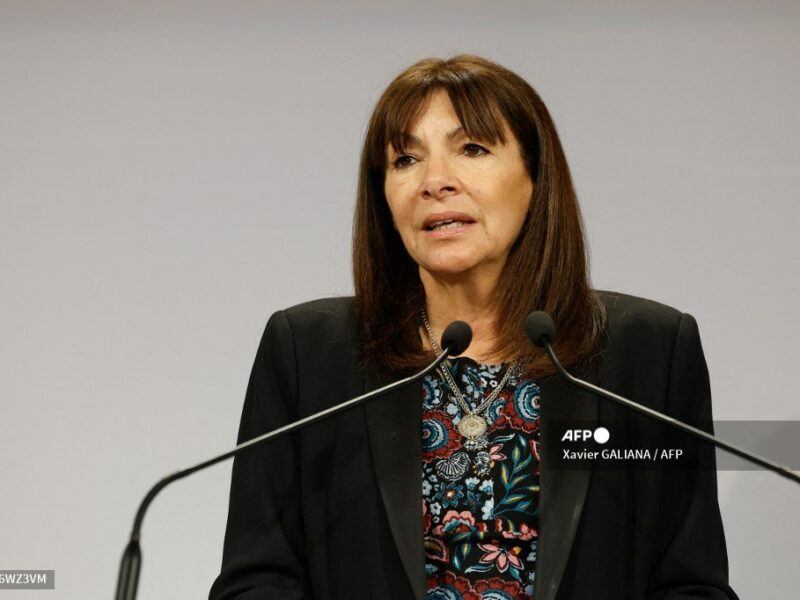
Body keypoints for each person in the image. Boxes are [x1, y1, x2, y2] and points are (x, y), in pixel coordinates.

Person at [209, 55, 737, 600]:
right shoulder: (309, 354)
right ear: (383, 195)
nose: (435, 182)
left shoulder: (647, 352)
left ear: (535, 178)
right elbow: (257, 580)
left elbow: (690, 584)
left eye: (473, 149)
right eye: (405, 159)